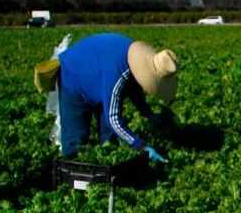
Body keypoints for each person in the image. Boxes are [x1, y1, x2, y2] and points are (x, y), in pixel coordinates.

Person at [56, 33, 177, 161]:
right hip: (73, 74)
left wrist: (147, 113)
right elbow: (113, 118)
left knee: (109, 137)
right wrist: (142, 146)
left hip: (99, 72)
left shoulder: (135, 61)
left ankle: (107, 167)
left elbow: (134, 89)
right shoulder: (118, 73)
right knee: (76, 139)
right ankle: (74, 172)